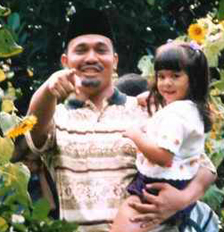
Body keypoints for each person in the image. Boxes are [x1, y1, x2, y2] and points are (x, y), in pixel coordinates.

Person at [24, 8, 218, 232]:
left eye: (101, 49)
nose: (91, 57)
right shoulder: (57, 117)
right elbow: (35, 127)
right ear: (66, 61)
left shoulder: (151, 110)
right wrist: (48, 89)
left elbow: (204, 167)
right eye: (81, 50)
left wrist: (181, 199)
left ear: (114, 60)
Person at [110, 41, 216, 232]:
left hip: (156, 185)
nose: (166, 83)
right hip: (175, 183)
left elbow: (163, 157)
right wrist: (142, 99)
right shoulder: (187, 108)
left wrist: (136, 136)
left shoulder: (176, 115)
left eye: (175, 76)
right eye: (161, 76)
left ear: (192, 79)